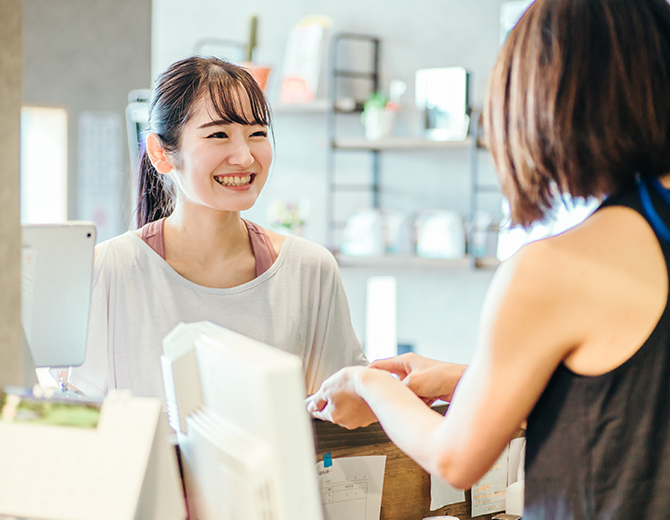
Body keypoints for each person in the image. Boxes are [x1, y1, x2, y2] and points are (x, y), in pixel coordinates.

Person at [306, 0, 670, 518]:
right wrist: (463, 379)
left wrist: (370, 384)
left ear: (536, 105)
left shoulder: (554, 268)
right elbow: (624, 393)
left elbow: (455, 457)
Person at [69, 56, 366, 400]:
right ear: (160, 153)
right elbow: (79, 424)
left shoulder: (309, 270)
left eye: (257, 133)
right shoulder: (110, 269)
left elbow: (342, 416)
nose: (244, 157)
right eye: (219, 134)